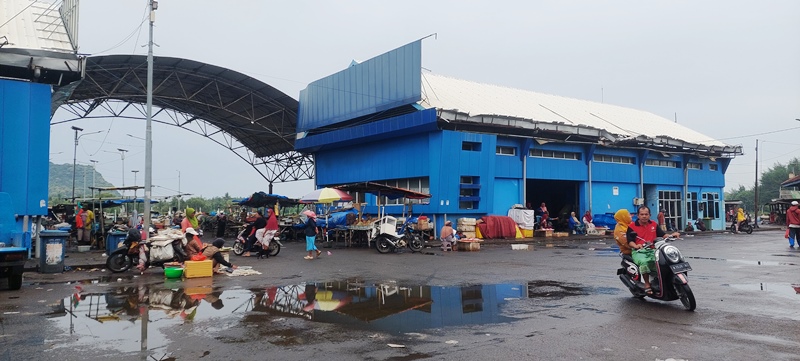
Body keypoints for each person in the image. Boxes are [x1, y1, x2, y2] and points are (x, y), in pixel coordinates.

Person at [626, 206, 680, 295]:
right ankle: (647, 284)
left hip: (653, 250)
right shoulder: (632, 226)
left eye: (646, 214)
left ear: (650, 215)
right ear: (638, 215)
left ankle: (661, 281)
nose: (644, 216)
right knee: (644, 262)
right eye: (642, 214)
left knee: (665, 261)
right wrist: (636, 246)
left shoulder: (654, 224)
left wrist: (672, 235)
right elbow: (630, 241)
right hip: (639, 251)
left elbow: (662, 235)